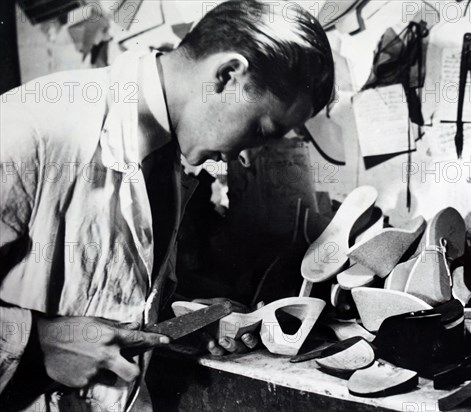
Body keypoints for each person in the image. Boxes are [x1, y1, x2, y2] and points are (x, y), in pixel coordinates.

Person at [0, 0, 334, 410]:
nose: (248, 158)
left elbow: (99, 292)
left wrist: (181, 321)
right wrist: (37, 344)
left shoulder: (168, 158)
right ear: (227, 75)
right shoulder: (31, 128)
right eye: (261, 129)